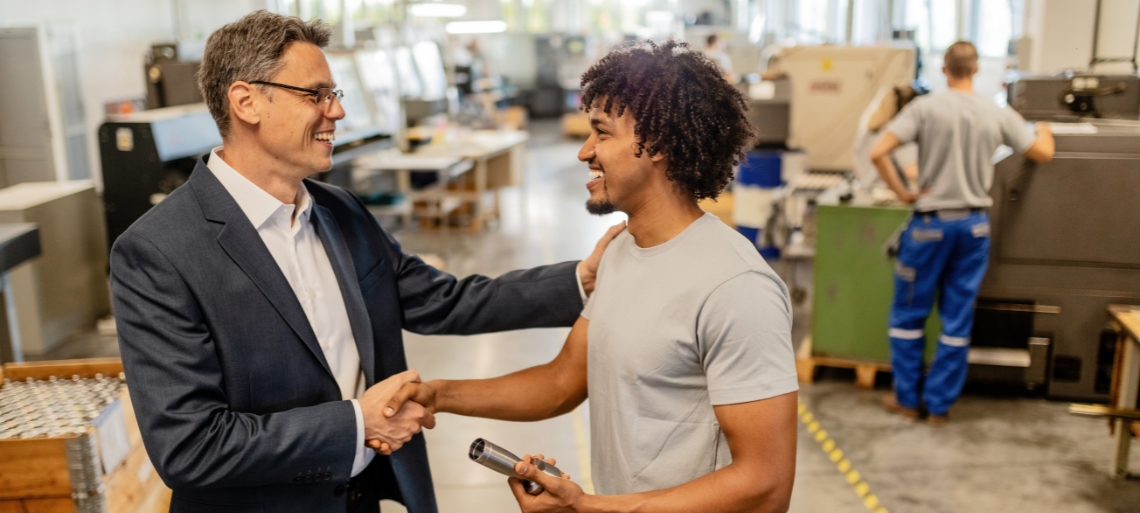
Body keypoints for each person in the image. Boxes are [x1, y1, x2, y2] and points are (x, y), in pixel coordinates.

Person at [109, 11, 619, 513]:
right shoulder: (158, 253)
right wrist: (356, 424)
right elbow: (190, 447)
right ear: (246, 102)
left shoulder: (339, 212)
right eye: (316, 95)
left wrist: (581, 278)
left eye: (336, 95)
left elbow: (445, 301)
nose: (336, 112)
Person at [385, 40, 799, 513]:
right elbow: (563, 380)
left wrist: (592, 508)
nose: (585, 151)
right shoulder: (623, 250)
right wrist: (438, 394)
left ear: (658, 143)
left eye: (602, 134)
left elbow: (766, 484)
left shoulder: (735, 286)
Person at [870, 41, 1055, 424]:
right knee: (956, 321)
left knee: (908, 317)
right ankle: (939, 407)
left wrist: (903, 192)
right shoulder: (995, 111)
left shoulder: (926, 108)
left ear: (944, 70)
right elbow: (1042, 153)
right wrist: (1045, 128)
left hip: (929, 227)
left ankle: (907, 400)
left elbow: (878, 152)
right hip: (974, 228)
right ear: (975, 70)